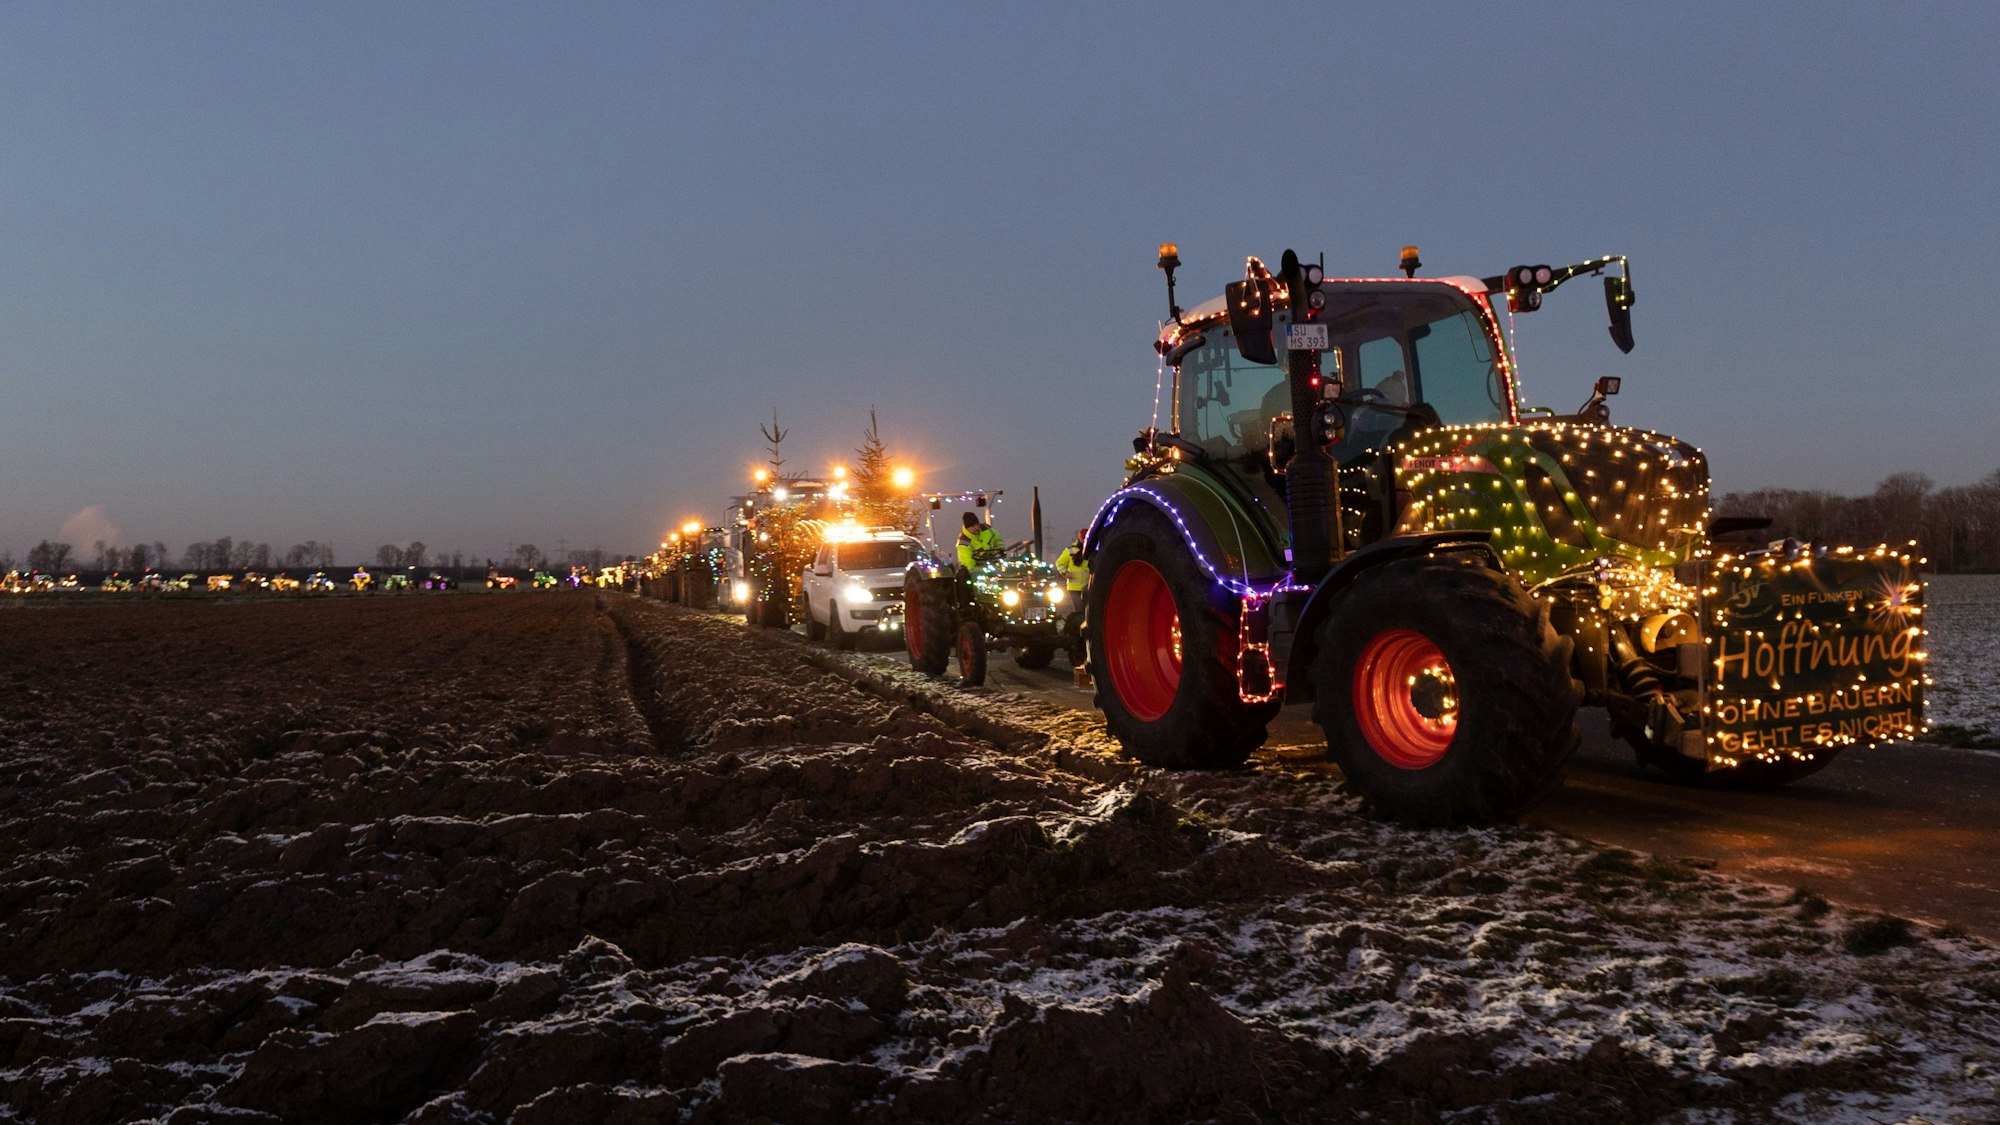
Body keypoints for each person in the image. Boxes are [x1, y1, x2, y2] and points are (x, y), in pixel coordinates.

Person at [1054, 528, 1089, 600]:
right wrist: (1065, 572)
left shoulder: (1092, 551)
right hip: (1074, 588)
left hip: (1088, 587)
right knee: (1080, 610)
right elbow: (1059, 563)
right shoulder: (1070, 550)